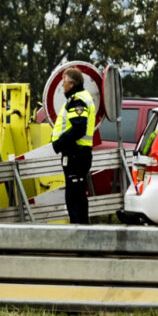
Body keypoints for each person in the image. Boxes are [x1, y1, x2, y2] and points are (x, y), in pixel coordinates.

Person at [54, 74, 99, 223]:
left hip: (75, 154)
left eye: (64, 83)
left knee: (74, 198)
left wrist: (59, 142)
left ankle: (79, 235)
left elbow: (79, 128)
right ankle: (83, 233)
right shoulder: (82, 97)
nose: (62, 86)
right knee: (78, 196)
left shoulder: (77, 100)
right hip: (80, 153)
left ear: (71, 84)